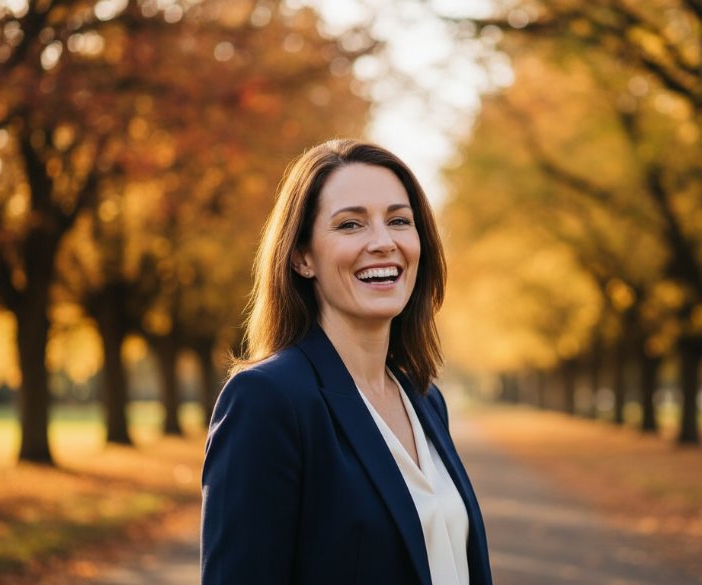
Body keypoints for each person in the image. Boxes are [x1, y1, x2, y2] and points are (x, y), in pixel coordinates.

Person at [200, 139, 493, 585]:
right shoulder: (267, 401)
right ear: (302, 257)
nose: (383, 242)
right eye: (351, 224)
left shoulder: (424, 399)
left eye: (398, 220)